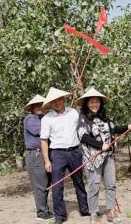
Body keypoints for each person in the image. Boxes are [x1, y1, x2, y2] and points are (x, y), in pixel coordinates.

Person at [76, 88, 131, 224]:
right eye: (91, 102)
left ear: (100, 103)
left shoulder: (104, 118)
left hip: (108, 156)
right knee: (94, 185)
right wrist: (100, 145)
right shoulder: (83, 118)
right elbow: (82, 136)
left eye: (97, 102)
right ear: (86, 104)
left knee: (111, 184)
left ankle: (111, 211)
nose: (94, 104)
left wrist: (128, 126)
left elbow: (114, 129)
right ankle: (93, 213)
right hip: (93, 158)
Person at [40, 87, 89, 224]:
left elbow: (82, 129)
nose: (57, 102)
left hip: (74, 151)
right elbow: (43, 140)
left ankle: (84, 209)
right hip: (57, 154)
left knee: (79, 181)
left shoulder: (73, 112)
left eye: (59, 99)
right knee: (57, 185)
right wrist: (47, 160)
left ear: (63, 99)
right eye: (54, 101)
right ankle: (60, 215)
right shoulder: (47, 119)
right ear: (51, 103)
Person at [23, 94, 53, 221]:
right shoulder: (30, 118)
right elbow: (43, 133)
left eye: (42, 105)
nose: (40, 107)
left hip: (45, 153)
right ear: (32, 107)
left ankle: (44, 210)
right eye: (37, 105)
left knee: (46, 183)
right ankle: (42, 213)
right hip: (36, 155)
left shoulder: (43, 119)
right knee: (40, 184)